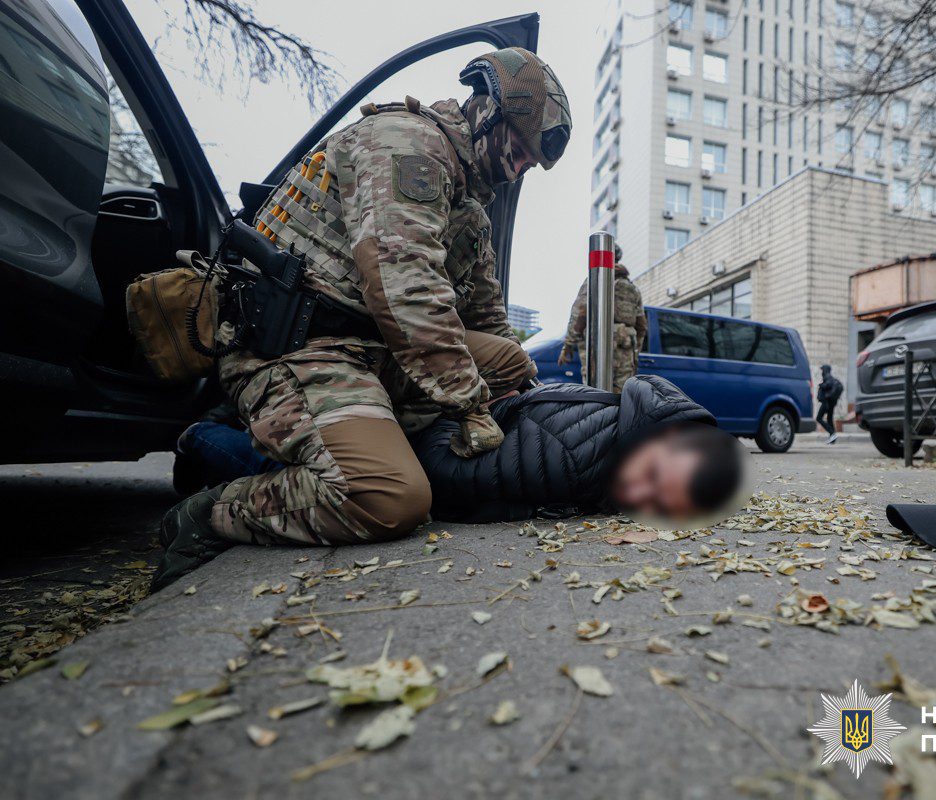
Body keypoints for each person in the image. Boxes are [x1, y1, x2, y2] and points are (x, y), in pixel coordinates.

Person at [153, 47, 573, 591]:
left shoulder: (469, 203)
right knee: (390, 498)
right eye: (517, 151)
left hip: (372, 351)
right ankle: (210, 509)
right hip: (299, 349)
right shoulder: (408, 146)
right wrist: (471, 404)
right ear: (486, 112)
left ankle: (359, 441)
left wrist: (522, 397)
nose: (517, 171)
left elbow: (486, 315)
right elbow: (406, 290)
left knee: (512, 361)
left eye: (528, 165)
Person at [162, 376, 746, 585]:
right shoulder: (577, 455)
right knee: (310, 483)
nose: (643, 501)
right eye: (654, 482)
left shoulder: (623, 416)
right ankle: (200, 442)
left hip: (433, 423)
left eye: (662, 502)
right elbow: (449, 479)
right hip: (421, 449)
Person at [558, 244, 648, 392]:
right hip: (625, 348)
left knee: (595, 391)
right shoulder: (632, 288)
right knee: (622, 394)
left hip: (597, 345)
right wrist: (635, 351)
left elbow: (579, 314)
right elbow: (641, 325)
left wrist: (567, 345)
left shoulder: (595, 279)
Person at [815, 364, 843, 444]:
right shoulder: (830, 377)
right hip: (831, 402)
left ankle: (832, 433)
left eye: (822, 370)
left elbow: (828, 384)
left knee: (819, 418)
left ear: (825, 370)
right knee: (829, 419)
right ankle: (832, 437)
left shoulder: (827, 377)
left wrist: (821, 385)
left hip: (826, 402)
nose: (821, 372)